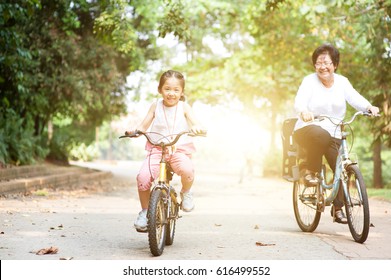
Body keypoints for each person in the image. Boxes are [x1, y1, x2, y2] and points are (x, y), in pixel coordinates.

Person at [293, 43, 379, 224]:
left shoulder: (342, 82)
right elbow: (299, 101)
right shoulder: (309, 81)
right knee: (321, 135)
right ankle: (310, 171)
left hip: (333, 132)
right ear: (314, 65)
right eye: (318, 63)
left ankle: (338, 208)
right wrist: (303, 112)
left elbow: (355, 97)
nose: (322, 66)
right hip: (308, 128)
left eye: (327, 63)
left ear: (335, 65)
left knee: (342, 167)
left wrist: (369, 107)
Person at [125, 70, 206, 232]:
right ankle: (145, 211)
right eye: (167, 89)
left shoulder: (184, 107)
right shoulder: (156, 106)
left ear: (181, 92)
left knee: (188, 170)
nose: (171, 93)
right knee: (143, 177)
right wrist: (135, 131)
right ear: (160, 89)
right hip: (157, 148)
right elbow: (144, 125)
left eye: (176, 90)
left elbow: (195, 122)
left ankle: (186, 192)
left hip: (179, 149)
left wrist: (197, 127)